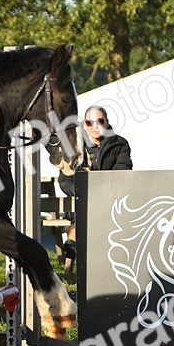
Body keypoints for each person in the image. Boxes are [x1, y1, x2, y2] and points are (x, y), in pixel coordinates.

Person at [57, 106, 133, 271]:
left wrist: (97, 191)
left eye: (99, 121)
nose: (95, 126)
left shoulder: (119, 144)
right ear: (85, 125)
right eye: (89, 123)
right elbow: (65, 181)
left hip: (110, 200)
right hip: (81, 199)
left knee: (92, 207)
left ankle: (72, 242)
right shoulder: (74, 147)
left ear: (106, 122)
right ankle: (78, 251)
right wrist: (83, 190)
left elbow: (122, 175)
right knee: (84, 206)